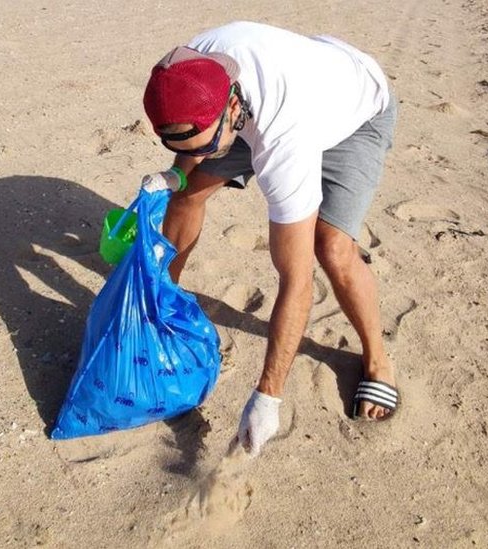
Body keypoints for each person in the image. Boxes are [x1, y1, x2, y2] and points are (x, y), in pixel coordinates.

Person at [140, 21, 399, 457]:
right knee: (186, 194)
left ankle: (378, 360)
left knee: (331, 248)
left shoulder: (285, 139)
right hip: (296, 79)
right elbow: (193, 141)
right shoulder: (187, 69)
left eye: (207, 143)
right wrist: (177, 171)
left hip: (356, 109)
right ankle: (166, 310)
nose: (201, 151)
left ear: (233, 106)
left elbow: (296, 281)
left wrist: (267, 395)